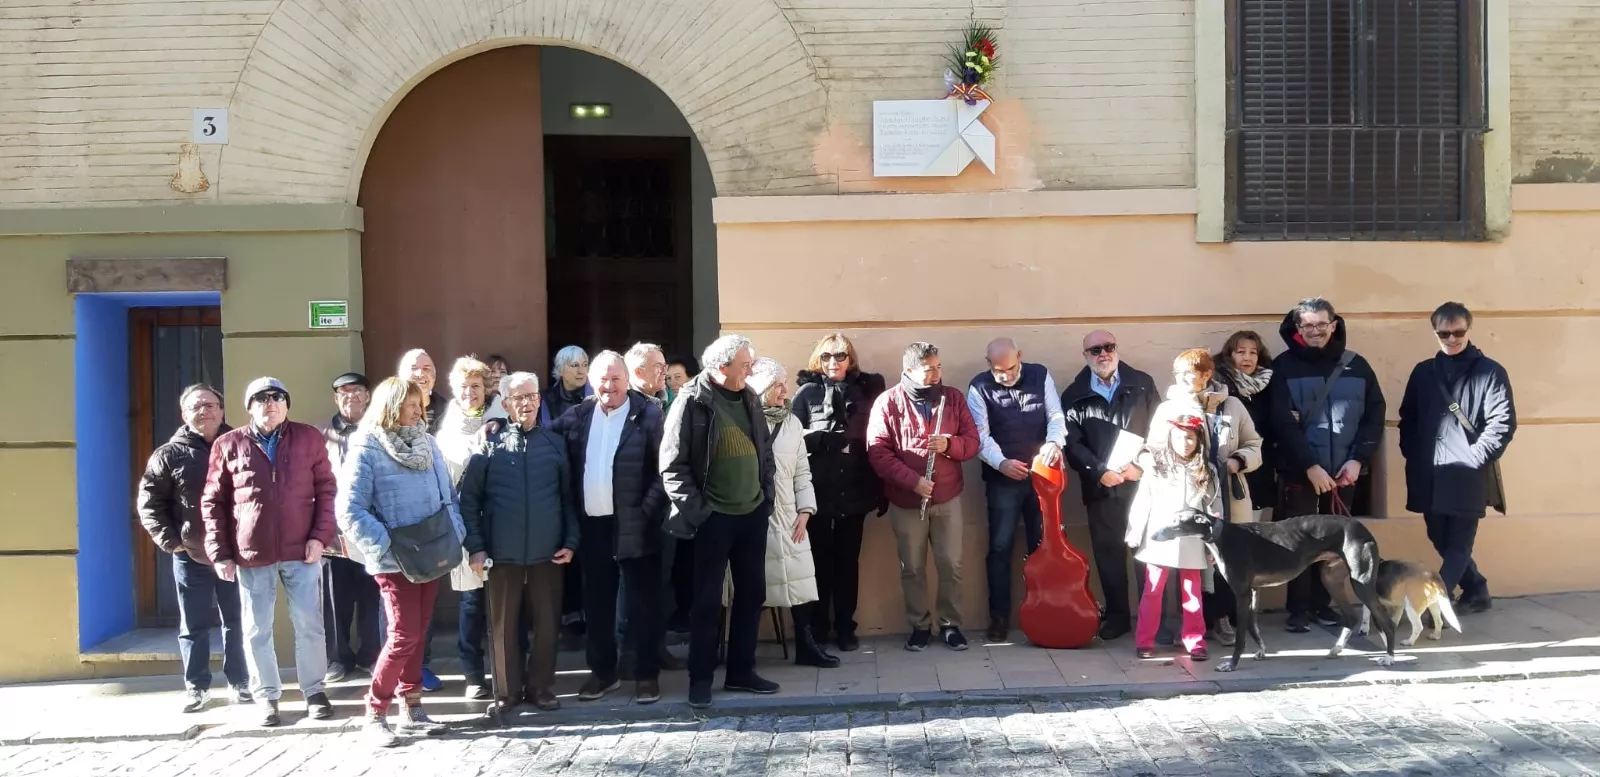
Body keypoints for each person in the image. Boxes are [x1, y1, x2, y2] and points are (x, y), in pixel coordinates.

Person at [202, 377, 337, 727]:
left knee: (309, 623)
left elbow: (327, 490)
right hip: (252, 552)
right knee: (256, 628)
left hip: (301, 549)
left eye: (277, 397)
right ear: (249, 407)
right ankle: (268, 697)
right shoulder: (228, 444)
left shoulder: (308, 438)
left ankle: (314, 691)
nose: (270, 404)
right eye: (261, 399)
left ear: (287, 404)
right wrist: (220, 552)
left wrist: (320, 536)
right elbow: (212, 502)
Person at [336, 377, 464, 746]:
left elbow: (448, 496)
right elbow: (349, 510)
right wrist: (385, 545)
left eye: (420, 404)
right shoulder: (366, 446)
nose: (419, 410)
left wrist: (454, 533)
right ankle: (375, 711)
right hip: (395, 560)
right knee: (403, 634)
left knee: (418, 633)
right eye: (411, 404)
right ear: (391, 406)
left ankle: (412, 706)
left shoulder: (427, 443)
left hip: (432, 551)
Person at [660, 334, 777, 710]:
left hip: (752, 514)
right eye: (745, 364)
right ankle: (701, 679)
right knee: (707, 602)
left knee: (752, 595)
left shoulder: (749, 396)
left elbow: (765, 453)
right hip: (713, 519)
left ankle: (742, 672)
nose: (751, 369)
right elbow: (672, 467)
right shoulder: (692, 400)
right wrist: (700, 513)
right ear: (720, 367)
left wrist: (766, 499)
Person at [547, 351, 670, 704]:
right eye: (602, 379)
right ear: (591, 381)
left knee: (641, 605)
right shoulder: (581, 413)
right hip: (594, 527)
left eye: (616, 379)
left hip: (637, 526)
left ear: (627, 380)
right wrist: (502, 427)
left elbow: (665, 469)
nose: (608, 386)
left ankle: (646, 675)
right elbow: (543, 437)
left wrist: (644, 510)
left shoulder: (647, 413)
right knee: (597, 606)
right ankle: (602, 673)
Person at [460, 371, 578, 713]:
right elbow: (469, 501)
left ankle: (540, 687)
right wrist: (477, 547)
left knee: (547, 624)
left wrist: (570, 541)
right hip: (502, 554)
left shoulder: (555, 443)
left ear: (539, 400)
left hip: (548, 553)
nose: (526, 403)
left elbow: (568, 499)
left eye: (532, 396)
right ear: (506, 404)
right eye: (518, 398)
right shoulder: (489, 443)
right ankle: (507, 693)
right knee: (502, 626)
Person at [1267, 297, 1385, 633]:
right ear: (1297, 328)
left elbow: (1374, 416)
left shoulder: (1357, 365)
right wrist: (1309, 466)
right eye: (1308, 325)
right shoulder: (1283, 367)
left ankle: (1323, 605)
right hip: (1300, 472)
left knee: (1334, 544)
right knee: (1299, 543)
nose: (1315, 331)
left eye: (1321, 324)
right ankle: (1299, 610)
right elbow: (1281, 423)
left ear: (1333, 324)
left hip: (1344, 473)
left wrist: (1358, 460)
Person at [137, 384, 250, 712]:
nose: (206, 411)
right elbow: (150, 504)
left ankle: (240, 681)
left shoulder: (241, 445)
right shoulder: (168, 454)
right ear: (185, 414)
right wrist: (173, 544)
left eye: (211, 405)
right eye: (197, 406)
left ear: (222, 409)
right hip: (192, 555)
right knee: (194, 623)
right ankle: (197, 686)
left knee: (239, 621)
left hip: (236, 553)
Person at [1399, 302, 1516, 614]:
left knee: (1460, 542)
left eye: (1458, 332)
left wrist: (1473, 458)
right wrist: (1412, 451)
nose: (1451, 339)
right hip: (1428, 472)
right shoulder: (1424, 372)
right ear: (1435, 332)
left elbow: (1502, 424)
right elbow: (1407, 418)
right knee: (1438, 535)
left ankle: (1434, 600)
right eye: (1444, 333)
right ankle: (1476, 588)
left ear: (1468, 330)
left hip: (1468, 473)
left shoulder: (1491, 372)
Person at [867, 342, 980, 652]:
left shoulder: (953, 398)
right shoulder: (888, 402)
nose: (936, 374)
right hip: (907, 501)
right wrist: (913, 482)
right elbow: (877, 452)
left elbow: (972, 442)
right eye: (929, 369)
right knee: (912, 567)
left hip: (947, 497)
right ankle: (919, 625)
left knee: (951, 564)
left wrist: (949, 445)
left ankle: (950, 624)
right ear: (909, 371)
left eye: (938, 367)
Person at [1149, 348, 1263, 647]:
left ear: (1206, 374)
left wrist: (1238, 461)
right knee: (1187, 558)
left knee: (1227, 558)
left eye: (1191, 372)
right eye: (1180, 374)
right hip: (1184, 495)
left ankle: (1223, 618)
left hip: (1228, 495)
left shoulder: (1232, 406)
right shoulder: (1168, 409)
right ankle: (1191, 623)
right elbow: (1155, 448)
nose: (1186, 378)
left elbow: (1254, 443)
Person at [965, 337, 1067, 642]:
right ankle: (999, 618)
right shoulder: (979, 387)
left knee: (1046, 545)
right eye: (997, 370)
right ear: (988, 364)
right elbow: (980, 435)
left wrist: (1053, 443)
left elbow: (1055, 415)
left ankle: (1048, 610)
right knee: (1000, 547)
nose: (1005, 376)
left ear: (1020, 357)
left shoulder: (1040, 374)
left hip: (1043, 474)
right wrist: (1001, 463)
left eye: (1010, 368)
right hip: (1003, 480)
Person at [1061, 330, 1159, 641]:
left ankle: (1153, 618)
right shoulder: (1073, 394)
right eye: (1095, 350)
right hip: (1101, 487)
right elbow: (1071, 444)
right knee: (1109, 555)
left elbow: (1160, 431)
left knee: (1148, 553)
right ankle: (1118, 617)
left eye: (1109, 347)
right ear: (1085, 355)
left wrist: (1141, 466)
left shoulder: (1142, 383)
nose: (1103, 354)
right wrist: (1097, 470)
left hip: (1142, 484)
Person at [791, 333, 885, 653]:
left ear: (850, 359)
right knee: (819, 561)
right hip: (818, 490)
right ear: (819, 359)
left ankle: (846, 626)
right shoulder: (805, 393)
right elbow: (790, 438)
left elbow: (878, 437)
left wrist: (880, 486)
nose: (834, 362)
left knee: (848, 562)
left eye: (841, 356)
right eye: (828, 356)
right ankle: (819, 626)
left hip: (854, 488)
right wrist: (819, 439)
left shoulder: (865, 391)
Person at [744, 358, 837, 668]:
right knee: (752, 584)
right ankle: (743, 654)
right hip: (751, 515)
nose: (785, 391)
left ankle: (806, 645)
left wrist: (806, 510)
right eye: (778, 385)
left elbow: (802, 472)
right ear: (762, 389)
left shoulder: (792, 423)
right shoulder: (743, 421)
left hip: (789, 516)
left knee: (800, 581)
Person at [433, 356, 512, 700]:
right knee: (470, 601)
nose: (470, 393)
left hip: (501, 519)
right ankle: (473, 674)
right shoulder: (446, 427)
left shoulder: (503, 421)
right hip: (464, 523)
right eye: (464, 387)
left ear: (486, 389)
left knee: (507, 600)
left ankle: (508, 672)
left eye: (476, 386)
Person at [1123, 415, 1218, 660]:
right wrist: (1135, 530)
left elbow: (1213, 507)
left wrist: (1215, 543)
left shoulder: (1207, 470)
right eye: (1179, 437)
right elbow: (1143, 499)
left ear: (1199, 441)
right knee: (1153, 589)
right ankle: (1145, 639)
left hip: (1191, 538)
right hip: (1161, 535)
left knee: (1192, 591)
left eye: (1190, 437)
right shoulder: (1156, 467)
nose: (1185, 442)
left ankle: (1194, 639)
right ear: (1170, 438)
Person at [319, 372, 383, 684]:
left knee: (373, 597)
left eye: (358, 391)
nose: (352, 397)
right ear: (336, 398)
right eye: (344, 392)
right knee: (334, 600)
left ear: (368, 396)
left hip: (371, 530)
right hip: (333, 535)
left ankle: (371, 655)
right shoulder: (322, 437)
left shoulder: (378, 431)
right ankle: (337, 658)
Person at [542, 344, 593, 647]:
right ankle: (571, 613)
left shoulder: (597, 395)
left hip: (591, 481)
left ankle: (593, 609)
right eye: (573, 364)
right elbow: (548, 434)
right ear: (559, 369)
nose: (580, 369)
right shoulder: (547, 399)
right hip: (562, 482)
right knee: (567, 549)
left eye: (584, 363)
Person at [1213, 332, 1276, 523]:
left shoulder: (1268, 385)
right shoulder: (1218, 387)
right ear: (1229, 355)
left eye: (1253, 352)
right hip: (1230, 471)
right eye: (1241, 352)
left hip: (1260, 469)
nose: (1247, 358)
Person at [398, 349, 446, 435]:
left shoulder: (449, 412)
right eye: (414, 368)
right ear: (401, 376)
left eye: (426, 369)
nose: (420, 374)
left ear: (434, 377)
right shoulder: (390, 411)